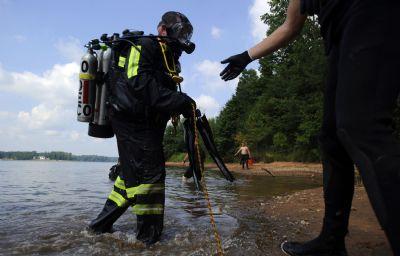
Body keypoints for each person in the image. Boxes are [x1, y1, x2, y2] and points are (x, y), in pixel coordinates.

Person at [220, 0, 400, 255]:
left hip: (375, 11)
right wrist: (247, 56)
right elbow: (291, 25)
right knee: (331, 138)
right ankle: (331, 242)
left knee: (361, 127)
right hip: (339, 36)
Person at [89, 11, 196, 245]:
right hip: (133, 123)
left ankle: (98, 227)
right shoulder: (145, 46)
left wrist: (180, 107)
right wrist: (180, 101)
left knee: (130, 178)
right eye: (179, 32)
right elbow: (138, 83)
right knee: (151, 178)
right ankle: (149, 242)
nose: (183, 37)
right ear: (162, 30)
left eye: (186, 33)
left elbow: (161, 93)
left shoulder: (170, 57)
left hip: (148, 125)